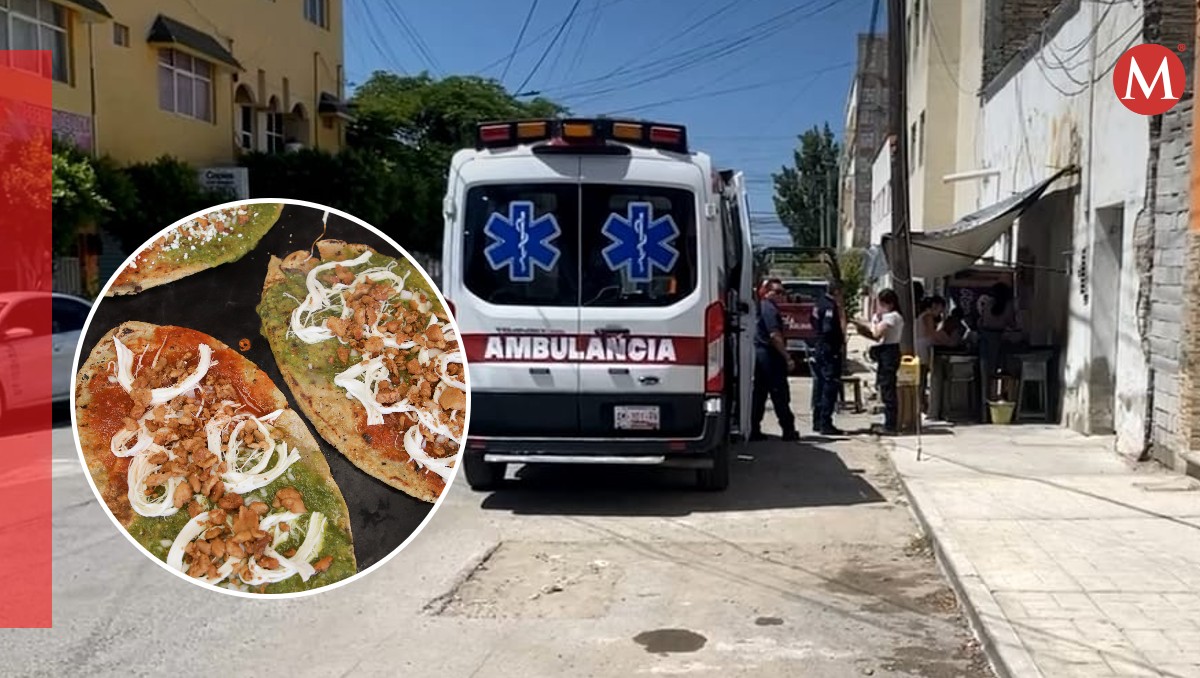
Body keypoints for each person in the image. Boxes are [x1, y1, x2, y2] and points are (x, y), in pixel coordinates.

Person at [751, 280, 799, 441]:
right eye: (778, 292)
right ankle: (788, 430)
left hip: (761, 355)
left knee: (760, 393)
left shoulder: (763, 306)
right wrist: (787, 357)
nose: (781, 296)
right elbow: (774, 336)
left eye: (783, 292)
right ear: (768, 292)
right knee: (779, 394)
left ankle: (753, 429)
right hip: (769, 356)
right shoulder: (769, 308)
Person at [852, 288, 904, 434]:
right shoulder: (892, 316)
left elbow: (876, 334)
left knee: (888, 389)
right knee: (885, 386)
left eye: (880, 303)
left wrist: (873, 322)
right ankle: (889, 422)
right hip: (887, 352)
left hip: (889, 352)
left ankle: (890, 425)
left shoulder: (891, 317)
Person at [809, 282, 845, 435]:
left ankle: (817, 421)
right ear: (836, 291)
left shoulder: (819, 302)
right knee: (829, 385)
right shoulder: (830, 306)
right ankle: (825, 423)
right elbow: (828, 328)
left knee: (821, 384)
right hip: (829, 349)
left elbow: (812, 320)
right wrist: (838, 342)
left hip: (820, 346)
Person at [915, 295, 949, 412]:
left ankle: (920, 403)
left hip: (922, 346)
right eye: (941, 308)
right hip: (923, 347)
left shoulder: (923, 316)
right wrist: (947, 342)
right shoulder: (928, 316)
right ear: (936, 306)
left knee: (922, 377)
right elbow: (932, 333)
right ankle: (920, 404)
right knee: (922, 377)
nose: (941, 311)